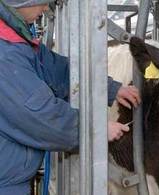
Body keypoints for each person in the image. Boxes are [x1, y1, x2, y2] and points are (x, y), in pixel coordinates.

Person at [0, 0, 141, 194]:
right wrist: (96, 130)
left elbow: (59, 70)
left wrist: (112, 89)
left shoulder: (15, 39)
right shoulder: (4, 53)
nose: (45, 8)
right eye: (42, 1)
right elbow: (39, 116)